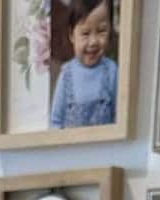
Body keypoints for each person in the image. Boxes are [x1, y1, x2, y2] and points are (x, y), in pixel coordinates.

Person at [50, 0, 119, 129]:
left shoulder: (112, 71)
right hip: (71, 148)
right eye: (85, 33)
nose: (93, 42)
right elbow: (55, 121)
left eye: (101, 31)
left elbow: (120, 119)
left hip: (106, 148)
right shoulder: (66, 74)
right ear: (72, 35)